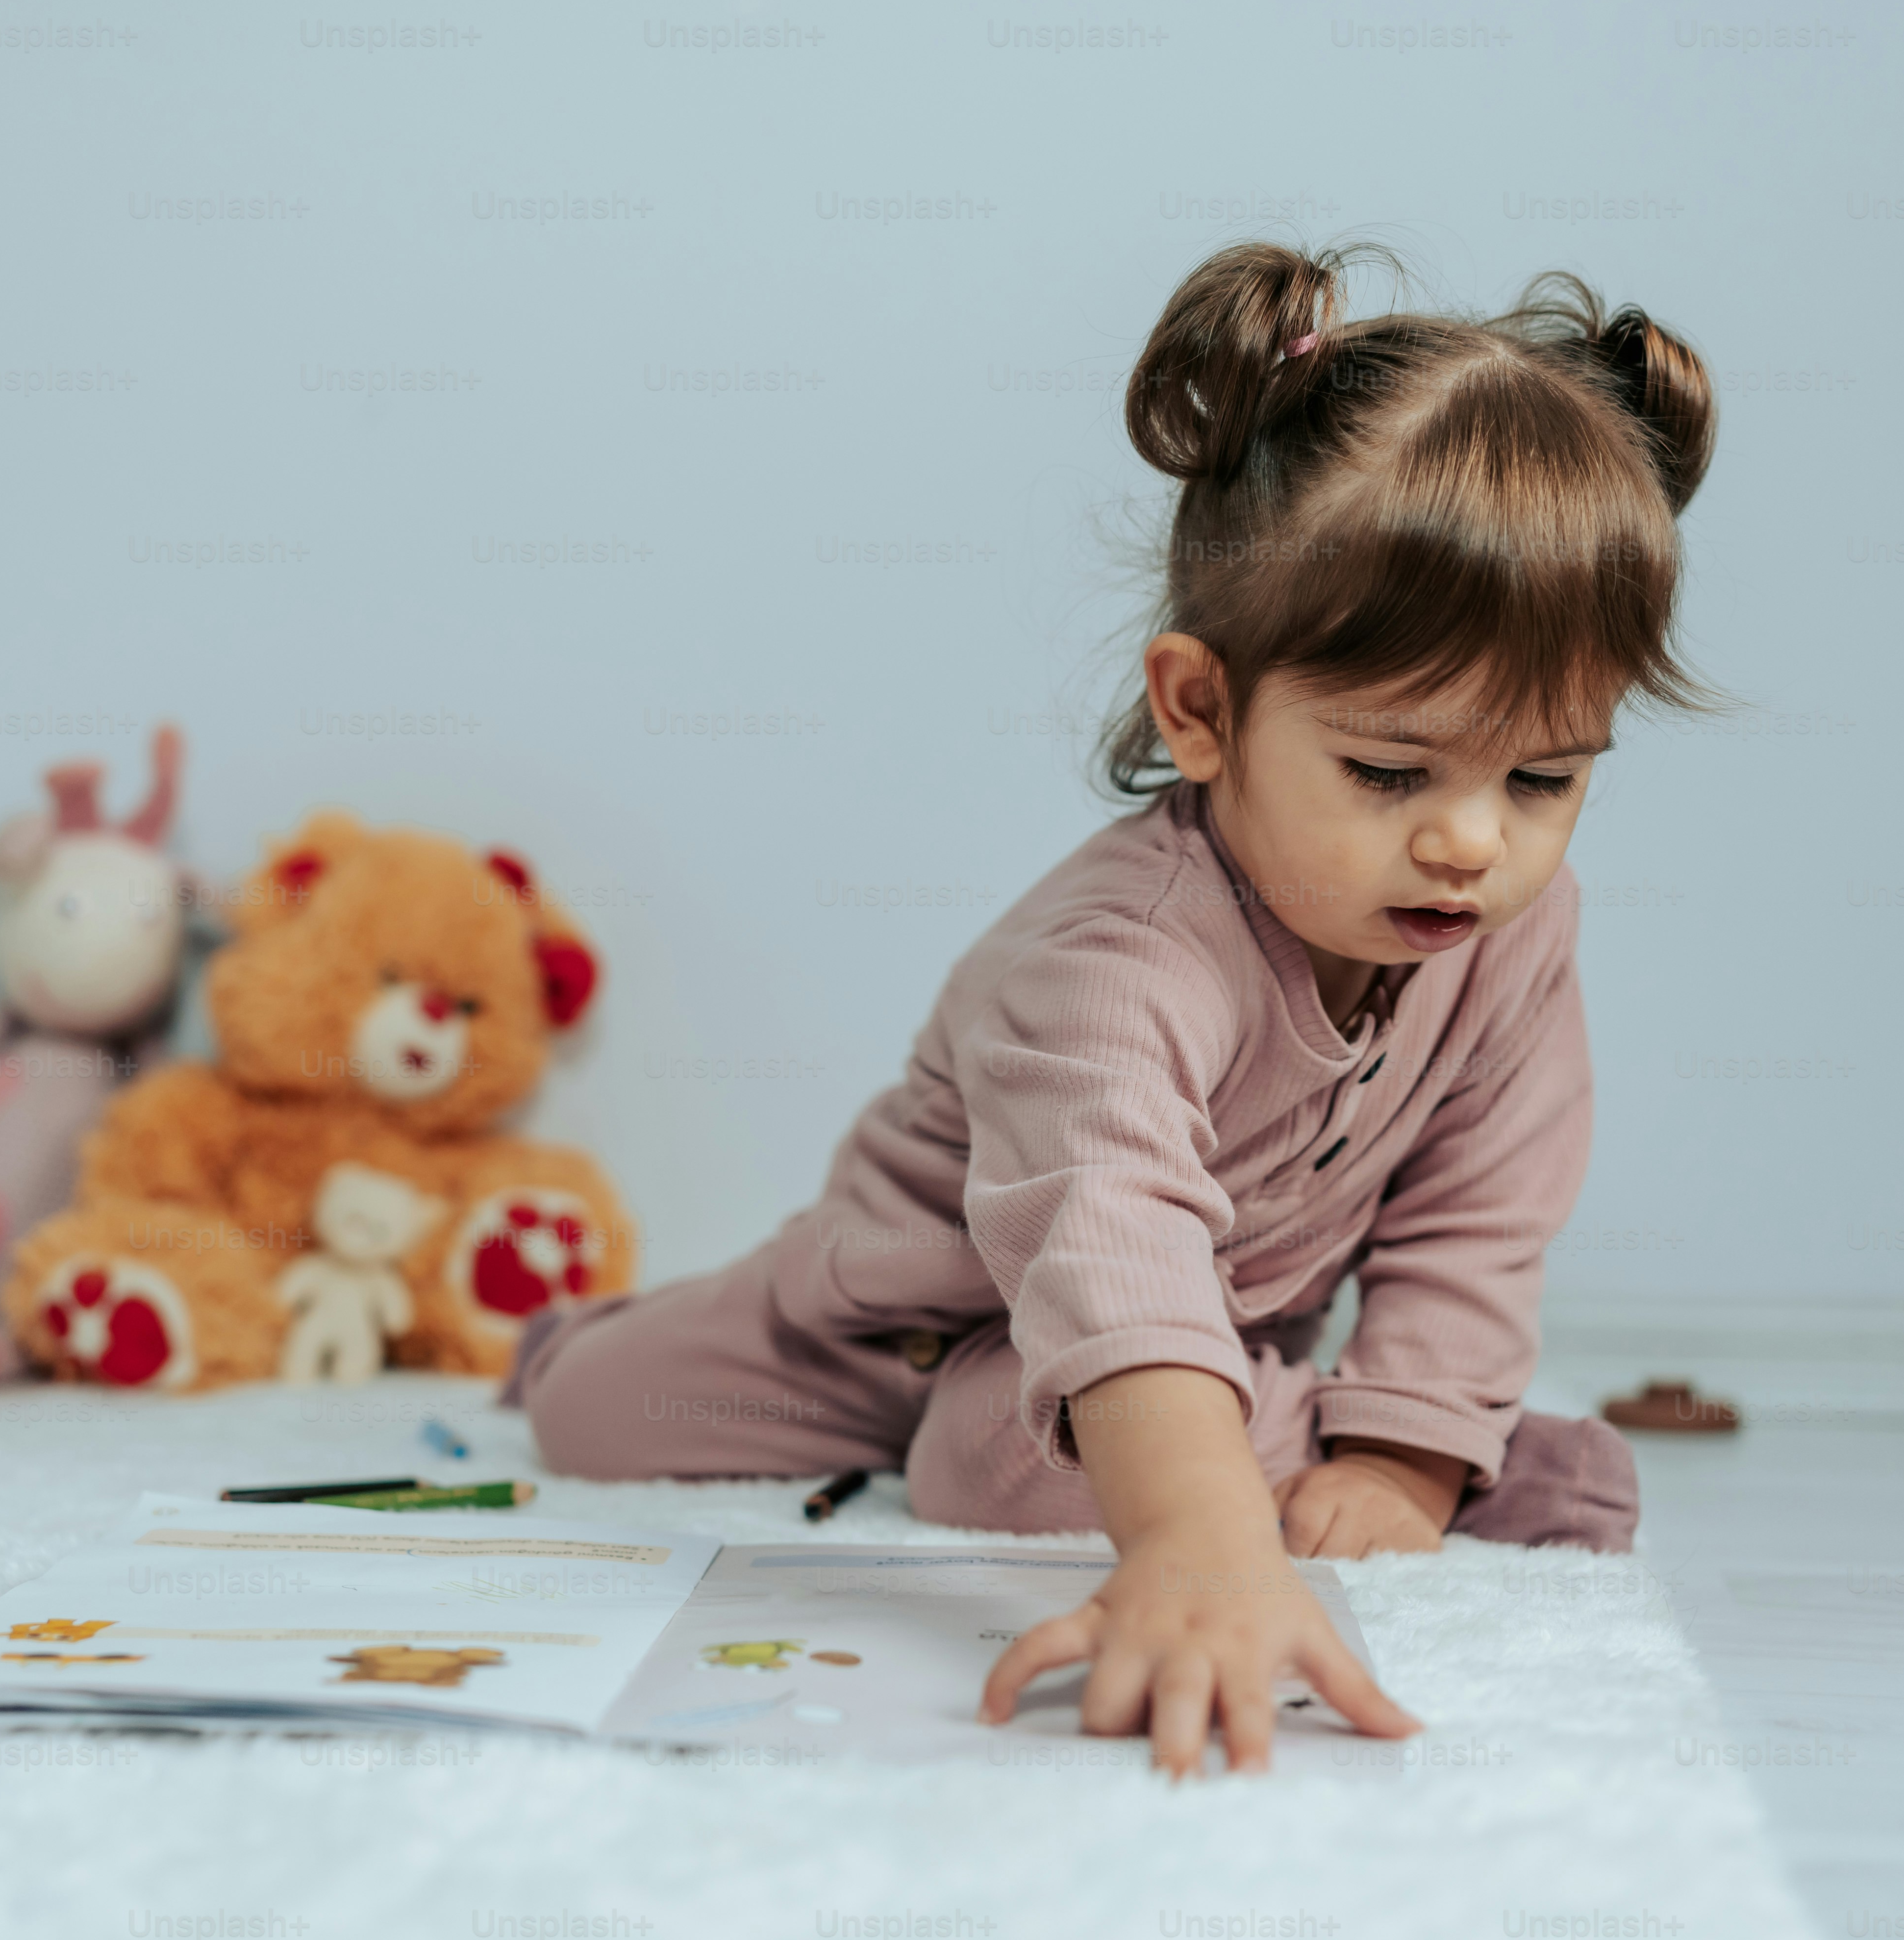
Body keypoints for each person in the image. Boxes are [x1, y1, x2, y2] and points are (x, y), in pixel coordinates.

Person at [507, 240, 1716, 1776]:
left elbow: (1480, 1215)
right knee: (592, 1416)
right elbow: (1111, 1230)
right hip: (903, 1310)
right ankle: (1312, 1442)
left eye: (1542, 780)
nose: (1472, 843)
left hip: (1143, 1350)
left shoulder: (1517, 939)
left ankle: (1432, 1445)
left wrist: (1402, 1457)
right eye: (1392, 772)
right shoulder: (1118, 960)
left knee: (994, 1465)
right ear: (1200, 709)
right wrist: (1213, 1540)